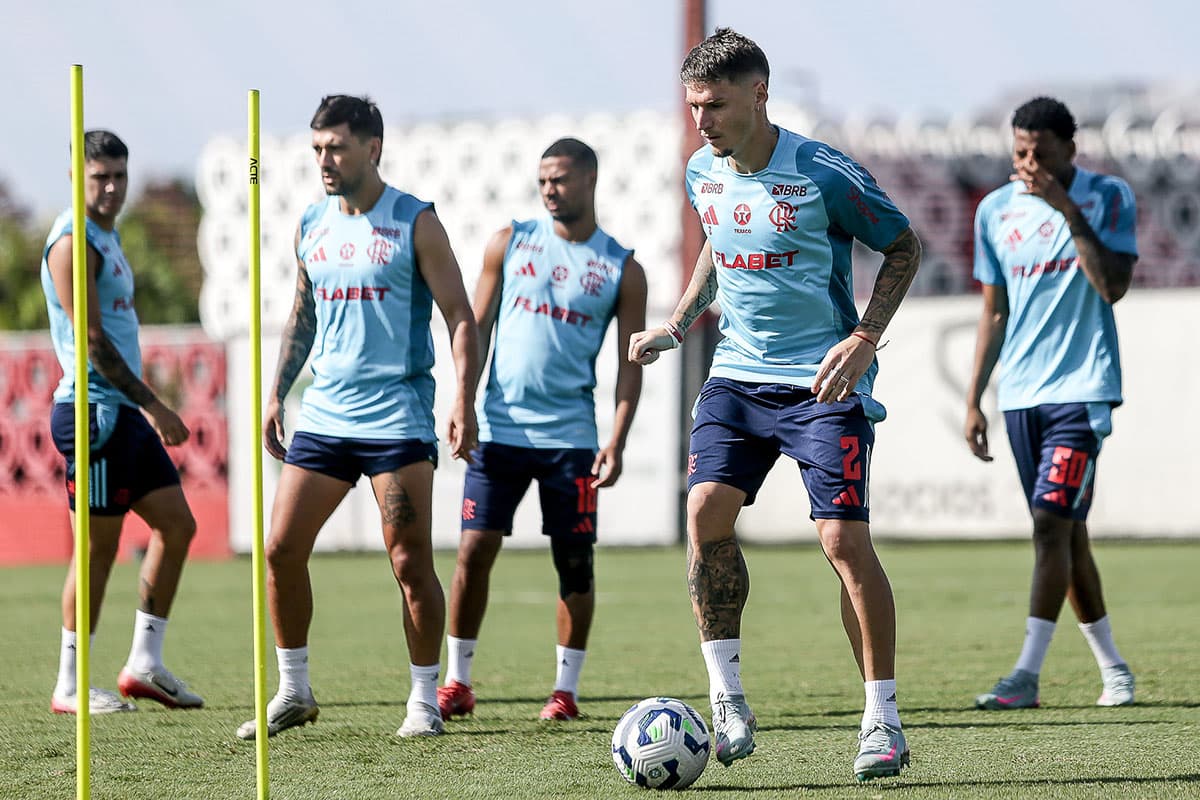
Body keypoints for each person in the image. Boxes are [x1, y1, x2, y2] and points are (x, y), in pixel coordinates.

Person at [628, 28, 922, 782]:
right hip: (735, 377)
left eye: (715, 104)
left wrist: (864, 338)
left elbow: (903, 245)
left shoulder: (822, 172)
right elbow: (719, 249)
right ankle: (727, 699)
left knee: (841, 543)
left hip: (822, 381)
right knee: (703, 516)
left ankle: (882, 721)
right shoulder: (702, 171)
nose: (702, 120)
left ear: (758, 93)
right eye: (694, 105)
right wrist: (676, 325)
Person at [235, 95, 479, 740]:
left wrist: (462, 399)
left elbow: (460, 314)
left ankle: (424, 699)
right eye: (317, 148)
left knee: (408, 561)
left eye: (336, 147)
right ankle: (294, 690)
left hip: (396, 418)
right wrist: (275, 395)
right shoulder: (311, 223)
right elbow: (302, 315)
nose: (325, 160)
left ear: (372, 147)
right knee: (281, 549)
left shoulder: (415, 220)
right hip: (324, 415)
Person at [436, 138, 647, 723]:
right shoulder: (510, 242)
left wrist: (617, 438)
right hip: (500, 432)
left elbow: (630, 370)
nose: (549, 189)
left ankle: (565, 691)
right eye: (543, 181)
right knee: (474, 551)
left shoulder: (622, 268)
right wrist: (463, 401)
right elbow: (473, 328)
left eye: (559, 179)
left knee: (574, 564)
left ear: (589, 180)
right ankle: (457, 682)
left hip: (572, 441)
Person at [966, 97, 1137, 711]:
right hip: (1021, 395)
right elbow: (993, 310)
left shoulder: (1108, 197)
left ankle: (1026, 676)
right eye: (1020, 152)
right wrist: (974, 399)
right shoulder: (994, 212)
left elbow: (1112, 287)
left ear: (1071, 148)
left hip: (1083, 390)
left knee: (1047, 526)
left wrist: (1064, 210)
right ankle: (1115, 668)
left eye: (1041, 151)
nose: (1029, 162)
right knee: (1068, 535)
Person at [40, 130, 204, 715]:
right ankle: (68, 683)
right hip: (92, 414)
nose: (110, 188)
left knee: (178, 526)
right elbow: (91, 343)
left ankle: (145, 662)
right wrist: (156, 405)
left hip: (121, 412)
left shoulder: (108, 237)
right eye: (98, 177)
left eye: (118, 177)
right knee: (97, 551)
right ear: (74, 178)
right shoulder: (73, 244)